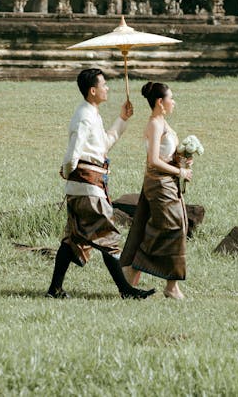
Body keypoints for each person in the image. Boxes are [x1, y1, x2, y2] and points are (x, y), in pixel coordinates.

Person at [46, 68, 156, 300]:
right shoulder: (84, 117)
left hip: (87, 186)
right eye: (104, 85)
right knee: (108, 236)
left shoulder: (92, 114)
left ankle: (54, 289)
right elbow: (73, 153)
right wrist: (68, 172)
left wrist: (122, 119)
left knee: (74, 239)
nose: (107, 88)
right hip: (88, 186)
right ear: (93, 90)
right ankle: (126, 290)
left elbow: (102, 145)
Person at [120, 81, 191, 300]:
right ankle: (156, 278)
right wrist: (179, 173)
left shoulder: (163, 123)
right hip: (159, 183)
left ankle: (165, 282)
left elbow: (166, 156)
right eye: (171, 98)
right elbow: (152, 161)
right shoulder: (154, 124)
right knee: (173, 227)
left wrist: (183, 161)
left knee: (178, 226)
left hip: (168, 183)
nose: (174, 102)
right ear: (160, 102)